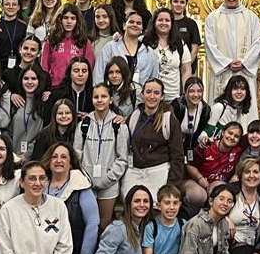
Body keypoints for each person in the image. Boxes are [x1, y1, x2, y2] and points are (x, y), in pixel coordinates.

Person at [40, 142, 99, 254]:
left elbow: (93, 223)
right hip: (43, 252)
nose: (58, 160)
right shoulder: (40, 186)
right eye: (54, 156)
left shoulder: (81, 186)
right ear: (49, 161)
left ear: (70, 163)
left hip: (74, 252)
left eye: (64, 157)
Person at [203, 0, 260, 105]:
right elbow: (210, 45)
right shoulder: (212, 18)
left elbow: (257, 42)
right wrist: (227, 63)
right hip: (222, 71)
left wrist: (244, 62)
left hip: (244, 70)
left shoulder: (251, 17)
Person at [122, 78, 184, 197]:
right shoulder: (135, 116)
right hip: (134, 169)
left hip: (158, 169)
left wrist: (172, 185)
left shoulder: (168, 119)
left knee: (154, 203)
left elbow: (178, 156)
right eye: (148, 92)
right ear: (142, 94)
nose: (152, 96)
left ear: (162, 97)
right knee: (130, 200)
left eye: (156, 93)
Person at [82, 83, 131, 231]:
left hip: (109, 184)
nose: (99, 100)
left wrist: (107, 179)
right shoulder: (84, 124)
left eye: (104, 96)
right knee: (88, 224)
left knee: (104, 224)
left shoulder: (119, 126)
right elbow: (77, 154)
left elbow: (123, 158)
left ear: (110, 99)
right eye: (96, 97)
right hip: (86, 183)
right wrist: (86, 178)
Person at [182, 120, 243, 213]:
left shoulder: (238, 151)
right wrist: (200, 179)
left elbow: (257, 136)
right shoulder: (207, 145)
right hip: (195, 181)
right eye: (230, 133)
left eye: (236, 136)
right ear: (223, 132)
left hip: (215, 183)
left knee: (221, 191)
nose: (232, 137)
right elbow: (189, 165)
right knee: (198, 196)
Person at [94, 10, 158, 98]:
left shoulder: (150, 53)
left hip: (140, 101)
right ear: (124, 25)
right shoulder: (110, 47)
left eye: (138, 23)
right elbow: (99, 75)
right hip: (112, 100)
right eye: (131, 22)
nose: (134, 25)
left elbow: (154, 80)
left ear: (142, 28)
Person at [146, 7, 192, 104]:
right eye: (160, 20)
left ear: (172, 24)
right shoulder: (144, 42)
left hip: (173, 98)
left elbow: (186, 69)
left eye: (167, 20)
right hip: (151, 98)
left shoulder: (180, 44)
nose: (164, 23)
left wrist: (185, 92)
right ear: (154, 22)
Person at [40, 4, 91, 86]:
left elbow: (89, 68)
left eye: (73, 18)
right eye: (65, 18)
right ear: (60, 19)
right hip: (54, 87)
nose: (69, 21)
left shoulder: (84, 42)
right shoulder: (50, 41)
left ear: (78, 21)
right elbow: (44, 69)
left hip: (76, 88)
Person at [31, 98, 84, 166]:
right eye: (60, 113)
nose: (64, 116)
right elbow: (36, 161)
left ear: (73, 115)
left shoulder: (77, 133)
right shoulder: (44, 135)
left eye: (67, 113)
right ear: (54, 115)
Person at [9, 65, 47, 158]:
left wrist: (27, 155)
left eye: (33, 79)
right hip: (12, 157)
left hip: (34, 157)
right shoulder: (14, 102)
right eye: (26, 78)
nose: (29, 82)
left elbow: (43, 134)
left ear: (39, 81)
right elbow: (7, 131)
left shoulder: (44, 104)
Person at [173, 76, 211, 166]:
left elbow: (201, 131)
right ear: (185, 92)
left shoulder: (205, 109)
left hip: (192, 147)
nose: (196, 95)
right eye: (191, 91)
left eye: (199, 91)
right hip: (175, 147)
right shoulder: (177, 106)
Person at [203, 75, 253, 140]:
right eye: (235, 88)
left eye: (242, 89)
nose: (239, 92)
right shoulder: (219, 107)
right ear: (229, 90)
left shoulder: (238, 110)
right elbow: (207, 132)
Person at [169, 0, 202, 65]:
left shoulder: (191, 24)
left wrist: (186, 66)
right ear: (170, 3)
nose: (179, 5)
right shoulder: (166, 23)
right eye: (176, 1)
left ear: (186, 5)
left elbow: (194, 50)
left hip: (187, 67)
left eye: (182, 2)